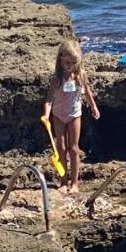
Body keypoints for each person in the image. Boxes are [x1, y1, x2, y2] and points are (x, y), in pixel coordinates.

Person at [42, 39, 100, 194]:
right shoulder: (57, 80)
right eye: (67, 62)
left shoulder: (80, 75)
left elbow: (87, 92)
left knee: (74, 149)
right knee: (60, 148)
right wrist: (46, 116)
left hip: (74, 115)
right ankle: (63, 182)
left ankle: (75, 183)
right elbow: (49, 100)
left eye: (73, 63)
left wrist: (93, 107)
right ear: (60, 59)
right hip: (58, 115)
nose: (70, 66)